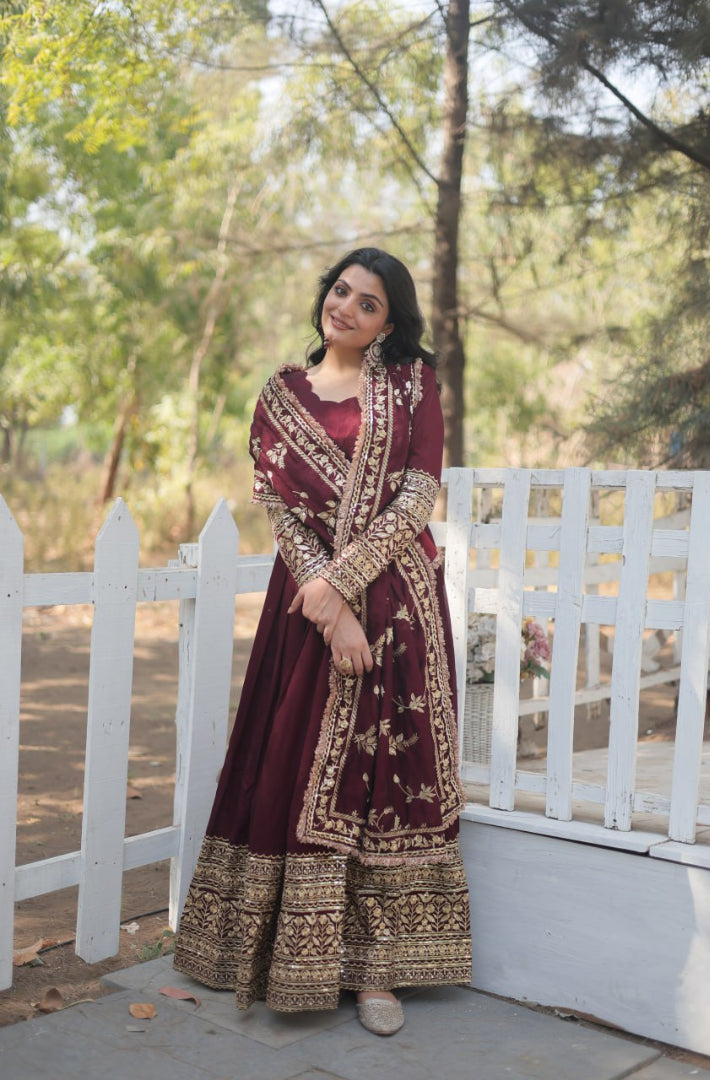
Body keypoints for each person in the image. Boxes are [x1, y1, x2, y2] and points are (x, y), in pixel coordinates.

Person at [173, 247, 472, 1037]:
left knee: (386, 776)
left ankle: (379, 973)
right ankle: (275, 953)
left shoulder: (412, 387)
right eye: (341, 291)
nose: (345, 308)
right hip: (306, 611)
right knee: (295, 764)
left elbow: (418, 492)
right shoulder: (282, 393)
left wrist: (348, 584)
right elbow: (277, 505)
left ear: (388, 323)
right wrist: (329, 605)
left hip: (400, 600)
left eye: (367, 303)